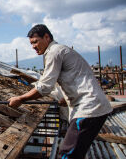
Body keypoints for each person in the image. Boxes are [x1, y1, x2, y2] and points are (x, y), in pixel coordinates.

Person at [8, 24, 112, 159]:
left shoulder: (54, 52)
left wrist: (21, 99)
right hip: (93, 107)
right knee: (75, 153)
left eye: (35, 42)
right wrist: (67, 99)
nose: (33, 46)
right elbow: (73, 79)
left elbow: (45, 87)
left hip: (89, 109)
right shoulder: (61, 50)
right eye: (31, 44)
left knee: (67, 154)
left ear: (46, 37)